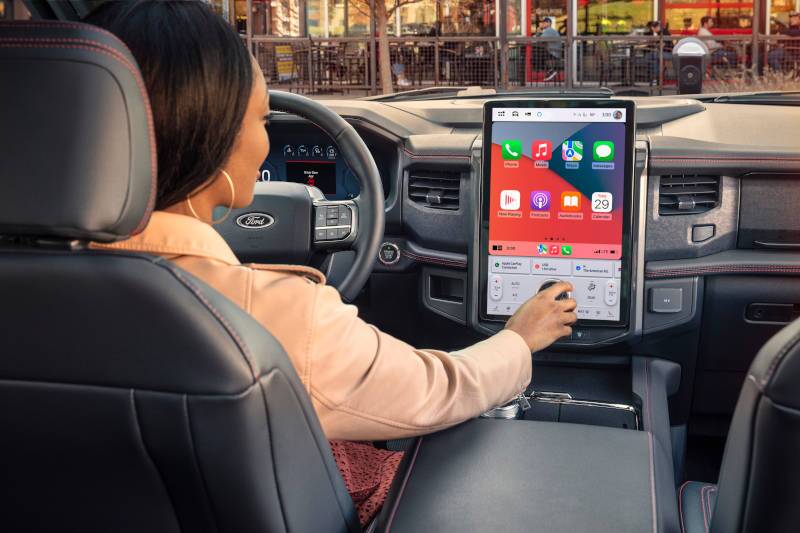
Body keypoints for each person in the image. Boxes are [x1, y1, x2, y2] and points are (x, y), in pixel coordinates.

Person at [85, 0, 577, 526]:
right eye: (261, 119)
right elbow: (436, 390)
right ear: (214, 139)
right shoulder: (280, 316)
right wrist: (519, 339)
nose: (267, 139)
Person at [533, 17, 562, 81]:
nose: (543, 24)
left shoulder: (549, 30)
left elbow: (538, 40)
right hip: (555, 52)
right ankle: (550, 70)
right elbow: (540, 40)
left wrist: (538, 31)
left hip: (554, 53)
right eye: (543, 23)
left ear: (549, 23)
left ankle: (551, 70)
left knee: (538, 54)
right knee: (540, 52)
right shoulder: (549, 31)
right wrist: (539, 32)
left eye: (544, 23)